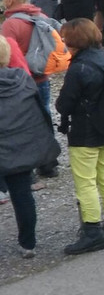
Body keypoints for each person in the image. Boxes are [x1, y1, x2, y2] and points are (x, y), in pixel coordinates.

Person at [55, 18, 104, 255]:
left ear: (74, 40)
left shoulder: (79, 68)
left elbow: (64, 104)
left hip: (86, 133)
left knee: (85, 182)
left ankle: (92, 231)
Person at [0, 38, 59, 259]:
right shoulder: (22, 79)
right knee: (22, 195)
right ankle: (28, 243)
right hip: (18, 147)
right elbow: (38, 112)